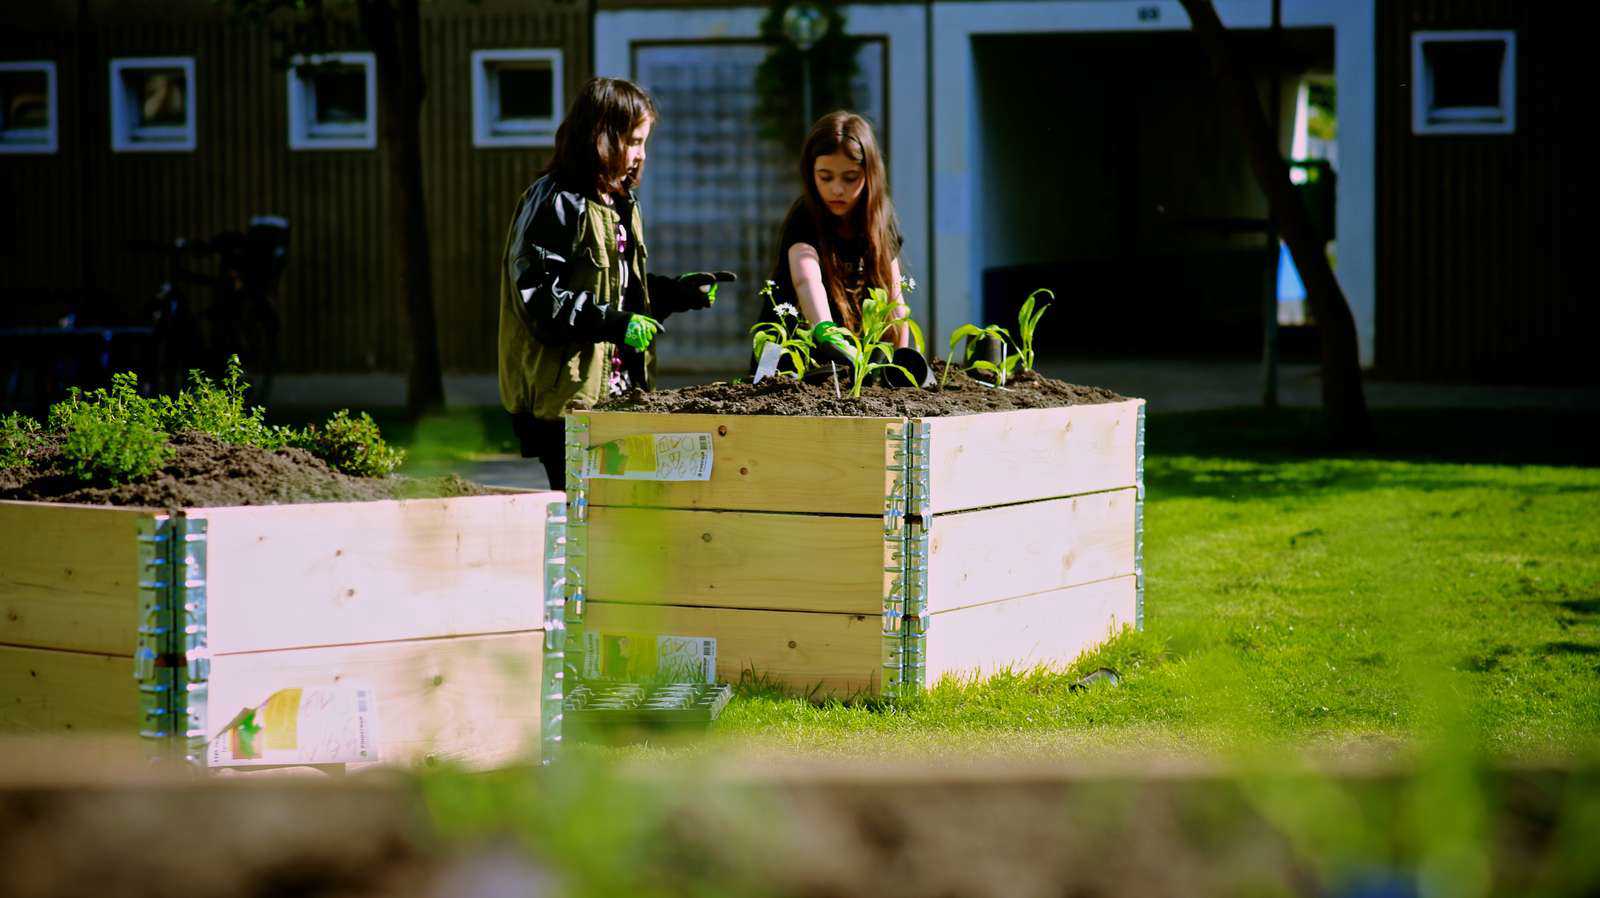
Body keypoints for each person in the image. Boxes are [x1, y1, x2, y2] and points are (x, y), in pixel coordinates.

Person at [498, 77, 732, 489]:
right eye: (634, 141)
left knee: (621, 521)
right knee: (583, 519)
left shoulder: (619, 200)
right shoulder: (555, 199)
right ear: (601, 138)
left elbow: (620, 292)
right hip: (567, 397)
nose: (641, 155)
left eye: (645, 142)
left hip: (620, 390)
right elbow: (536, 297)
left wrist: (676, 293)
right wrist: (614, 323)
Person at [756, 111, 910, 368]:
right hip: (788, 356)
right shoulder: (804, 216)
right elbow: (806, 279)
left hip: (848, 361)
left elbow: (895, 300)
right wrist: (825, 330)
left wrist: (901, 360)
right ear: (810, 172)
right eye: (825, 177)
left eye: (850, 178)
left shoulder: (880, 219)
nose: (837, 189)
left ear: (869, 174)